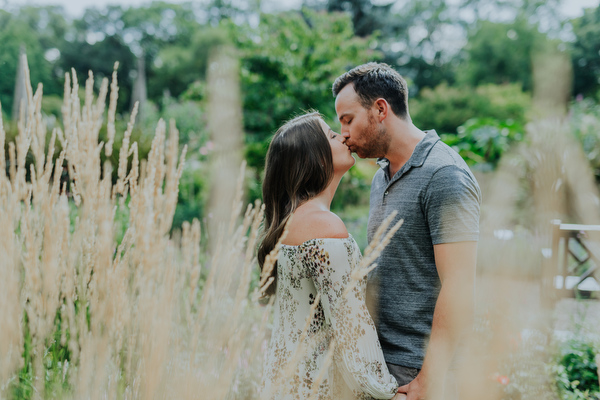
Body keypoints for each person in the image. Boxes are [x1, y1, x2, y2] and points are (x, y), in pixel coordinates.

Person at [332, 63, 481, 400]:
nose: (343, 134)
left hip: (418, 372)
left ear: (380, 109)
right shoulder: (380, 177)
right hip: (380, 365)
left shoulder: (444, 174)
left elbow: (460, 286)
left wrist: (429, 379)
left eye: (348, 119)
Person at [258, 112, 406, 400]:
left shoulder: (294, 221)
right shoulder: (323, 225)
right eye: (331, 135)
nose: (342, 135)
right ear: (317, 158)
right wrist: (386, 392)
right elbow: (351, 327)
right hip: (315, 386)